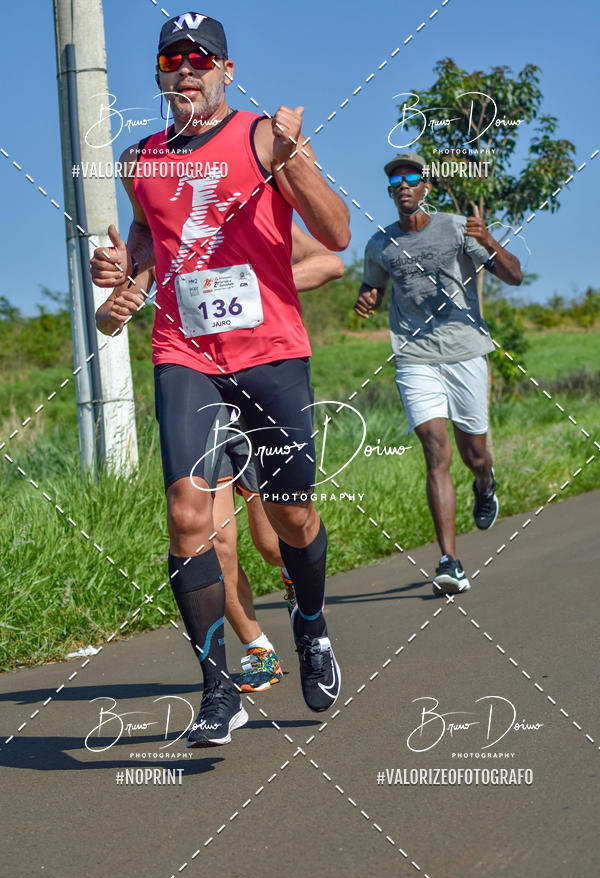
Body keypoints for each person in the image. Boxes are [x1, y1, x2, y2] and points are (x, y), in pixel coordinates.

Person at [91, 13, 350, 748]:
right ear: (160, 75)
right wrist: (118, 275)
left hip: (269, 352)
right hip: (185, 353)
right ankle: (217, 687)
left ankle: (311, 624)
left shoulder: (263, 136)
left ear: (226, 72)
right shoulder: (139, 159)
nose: (187, 69)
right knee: (186, 517)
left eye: (202, 59)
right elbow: (143, 250)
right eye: (173, 58)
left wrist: (296, 158)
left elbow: (335, 235)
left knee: (293, 517)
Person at [96, 225, 344, 692]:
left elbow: (330, 261)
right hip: (196, 385)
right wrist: (112, 308)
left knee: (274, 542)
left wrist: (260, 283)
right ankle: (257, 650)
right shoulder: (164, 225)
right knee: (214, 541)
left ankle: (308, 616)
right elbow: (113, 314)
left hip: (258, 380)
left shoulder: (251, 208)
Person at [355, 152, 522, 595]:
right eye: (396, 180)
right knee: (435, 451)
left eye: (412, 178)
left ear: (426, 186)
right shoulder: (381, 244)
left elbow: (515, 276)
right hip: (414, 357)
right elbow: (372, 282)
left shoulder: (454, 227)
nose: (404, 184)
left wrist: (487, 238)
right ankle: (450, 561)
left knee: (474, 454)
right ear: (391, 192)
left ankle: (485, 484)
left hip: (466, 352)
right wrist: (366, 297)